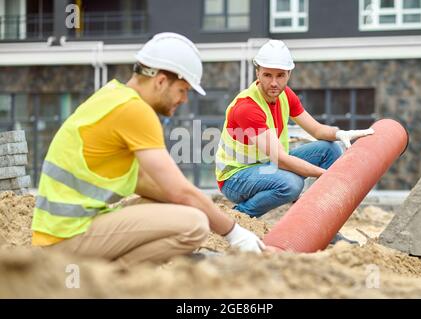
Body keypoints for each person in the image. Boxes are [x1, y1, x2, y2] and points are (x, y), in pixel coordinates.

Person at [31, 32, 265, 267]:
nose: (184, 100)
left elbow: (148, 183)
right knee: (194, 224)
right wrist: (235, 234)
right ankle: (109, 278)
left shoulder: (113, 96)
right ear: (161, 81)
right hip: (65, 240)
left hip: (59, 234)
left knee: (181, 210)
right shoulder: (134, 111)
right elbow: (179, 191)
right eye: (182, 90)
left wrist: (196, 206)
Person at [215, 40, 374, 244]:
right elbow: (280, 159)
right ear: (257, 73)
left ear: (289, 74)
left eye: (280, 75)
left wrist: (340, 133)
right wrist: (326, 175)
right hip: (235, 177)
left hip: (266, 166)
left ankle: (323, 227)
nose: (274, 83)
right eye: (267, 75)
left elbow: (317, 130)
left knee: (330, 149)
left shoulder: (285, 96)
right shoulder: (247, 107)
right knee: (291, 184)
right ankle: (238, 218)